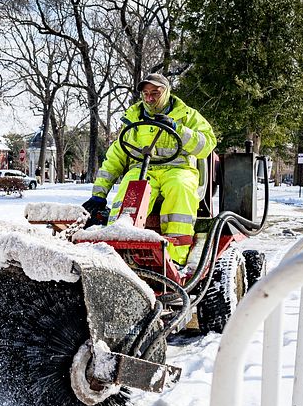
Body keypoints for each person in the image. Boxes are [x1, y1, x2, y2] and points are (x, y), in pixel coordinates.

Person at [81, 73, 216, 265]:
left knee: (180, 188)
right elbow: (115, 158)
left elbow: (207, 145)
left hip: (178, 169)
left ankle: (176, 258)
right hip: (144, 169)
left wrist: (178, 129)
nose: (149, 98)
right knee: (131, 187)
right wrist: (99, 194)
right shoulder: (133, 119)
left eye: (155, 93)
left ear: (167, 91)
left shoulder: (188, 115)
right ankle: (115, 252)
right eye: (145, 93)